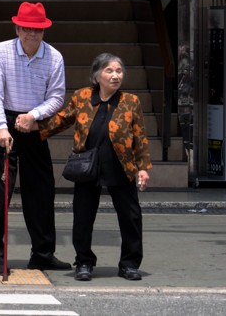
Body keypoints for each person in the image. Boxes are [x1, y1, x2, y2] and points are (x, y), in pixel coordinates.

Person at [37, 53, 152, 281]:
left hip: (121, 166)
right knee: (82, 217)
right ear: (97, 75)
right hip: (87, 166)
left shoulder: (131, 101)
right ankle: (84, 262)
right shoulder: (82, 97)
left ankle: (129, 264)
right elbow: (62, 119)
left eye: (119, 71)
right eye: (109, 71)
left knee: (130, 217)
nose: (115, 75)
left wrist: (143, 167)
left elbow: (140, 135)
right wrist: (35, 127)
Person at [0, 1, 71, 274]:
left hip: (34, 125)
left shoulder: (54, 57)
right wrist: (1, 127)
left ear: (44, 31)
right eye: (27, 29)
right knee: (0, 192)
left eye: (38, 30)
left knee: (42, 192)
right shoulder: (1, 51)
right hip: (5, 124)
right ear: (18, 28)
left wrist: (33, 115)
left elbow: (57, 96)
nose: (32, 34)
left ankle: (43, 254)